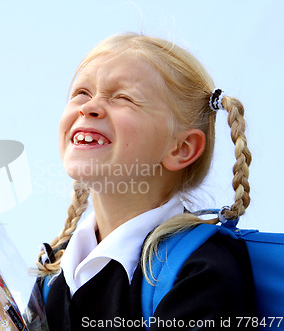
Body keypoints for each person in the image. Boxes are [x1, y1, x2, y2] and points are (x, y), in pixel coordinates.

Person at [34, 34, 256, 330]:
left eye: (123, 97)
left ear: (181, 148)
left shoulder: (202, 271)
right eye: (82, 93)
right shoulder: (53, 276)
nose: (90, 107)